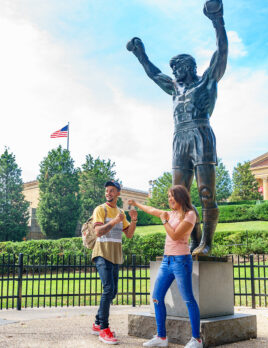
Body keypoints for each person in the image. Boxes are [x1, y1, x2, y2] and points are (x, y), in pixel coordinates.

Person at [126, 0, 228, 256]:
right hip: (179, 137)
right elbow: (153, 73)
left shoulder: (206, 81)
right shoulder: (174, 88)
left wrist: (217, 20)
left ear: (190, 67)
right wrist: (140, 54)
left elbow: (221, 52)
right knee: (179, 196)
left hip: (201, 133)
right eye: (173, 68)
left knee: (206, 192)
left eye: (178, 67)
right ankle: (191, 241)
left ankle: (207, 243)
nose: (174, 71)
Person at [128, 185, 202, 348]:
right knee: (156, 297)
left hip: (181, 261)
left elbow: (175, 235)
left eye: (172, 196)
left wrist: (163, 220)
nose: (169, 199)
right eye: (168, 196)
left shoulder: (189, 215)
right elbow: (151, 209)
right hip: (167, 261)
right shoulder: (170, 214)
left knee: (188, 299)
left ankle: (197, 339)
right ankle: (161, 337)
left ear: (181, 197)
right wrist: (136, 204)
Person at [91, 181, 138, 345]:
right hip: (102, 254)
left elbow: (129, 235)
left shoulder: (120, 212)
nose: (108, 193)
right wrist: (114, 221)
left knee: (113, 291)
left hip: (115, 255)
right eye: (106, 191)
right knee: (108, 288)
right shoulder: (100, 209)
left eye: (112, 191)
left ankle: (97, 322)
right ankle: (104, 329)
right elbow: (98, 231)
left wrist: (133, 221)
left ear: (118, 193)